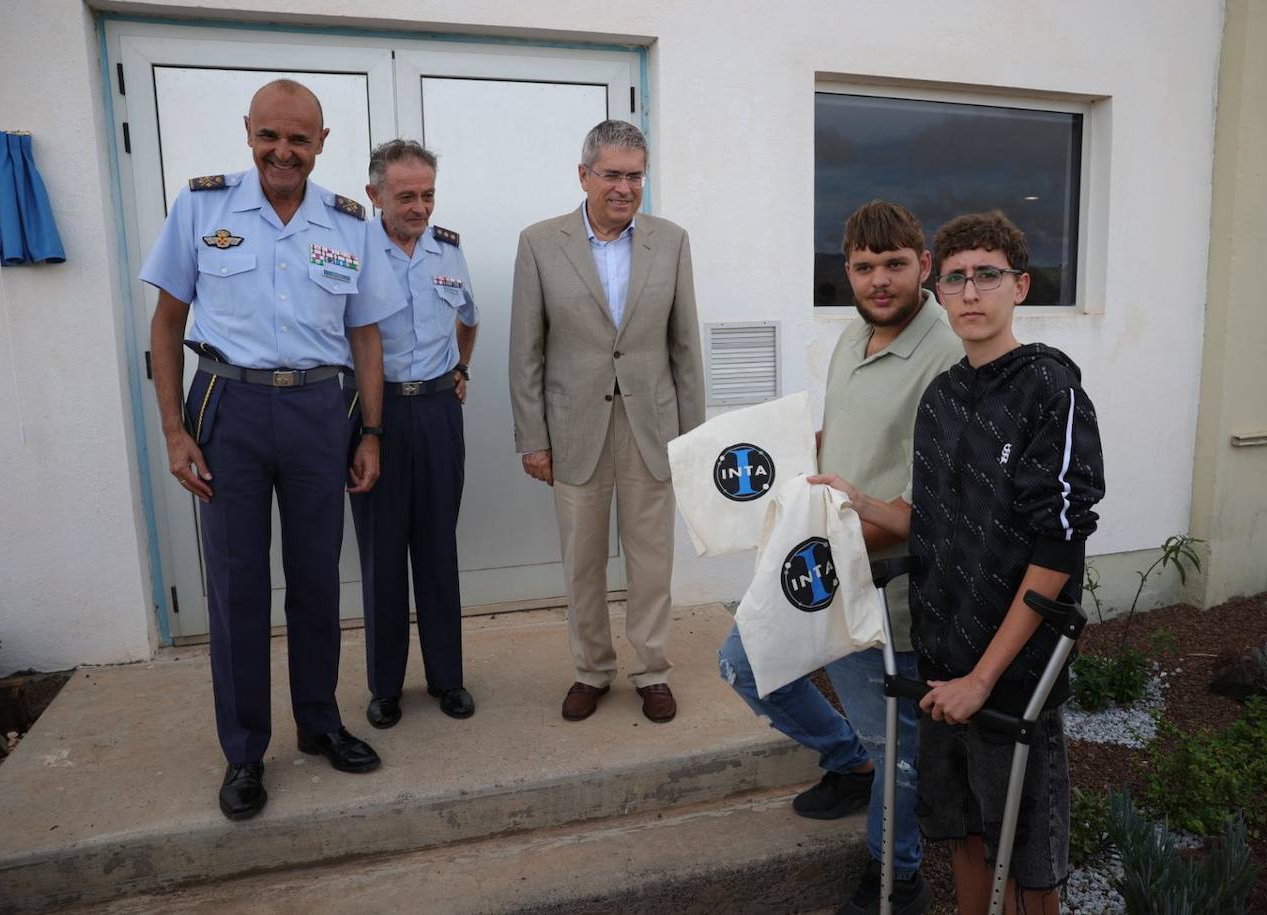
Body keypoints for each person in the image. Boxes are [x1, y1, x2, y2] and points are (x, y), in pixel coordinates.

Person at [824, 211, 1106, 914]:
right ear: (938, 289)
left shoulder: (1052, 392)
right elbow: (934, 525)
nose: (971, 292)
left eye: (987, 275)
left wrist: (984, 678)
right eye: (956, 278)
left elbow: (1058, 551)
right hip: (942, 656)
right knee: (967, 835)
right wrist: (857, 499)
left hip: (1009, 676)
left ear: (1020, 286)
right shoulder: (944, 397)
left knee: (1027, 851)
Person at [142, 79, 405, 821]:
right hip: (229, 405)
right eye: (270, 136)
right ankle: (245, 750)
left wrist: (372, 431)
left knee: (317, 576)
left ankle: (319, 722)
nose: (283, 151)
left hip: (324, 407)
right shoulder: (201, 206)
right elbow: (166, 322)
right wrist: (172, 427)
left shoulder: (350, 222)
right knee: (236, 587)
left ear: (321, 143)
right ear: (249, 133)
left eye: (299, 138)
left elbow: (366, 335)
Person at [719, 200, 962, 915]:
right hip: (825, 565)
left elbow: (924, 513)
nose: (878, 280)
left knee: (898, 746)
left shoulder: (946, 358)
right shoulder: (855, 335)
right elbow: (847, 438)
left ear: (922, 264)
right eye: (863, 266)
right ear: (846, 271)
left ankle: (899, 876)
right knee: (743, 665)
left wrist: (823, 540)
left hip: (886, 592)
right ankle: (844, 759)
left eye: (894, 264)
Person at [508, 119, 704, 724]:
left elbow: (686, 347)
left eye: (635, 175)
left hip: (654, 428)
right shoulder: (541, 243)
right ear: (584, 175)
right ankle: (591, 670)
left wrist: (693, 441)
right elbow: (526, 351)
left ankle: (651, 670)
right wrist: (532, 439)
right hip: (574, 432)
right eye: (613, 174)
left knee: (652, 560)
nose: (625, 187)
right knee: (582, 560)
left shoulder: (670, 242)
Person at [345, 139, 479, 729]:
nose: (420, 206)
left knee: (437, 549)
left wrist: (461, 370)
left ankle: (447, 678)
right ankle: (385, 687)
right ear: (374, 194)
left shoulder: (447, 250)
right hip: (375, 417)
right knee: (382, 557)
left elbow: (468, 318)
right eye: (406, 196)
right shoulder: (351, 249)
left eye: (427, 194)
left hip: (436, 414)